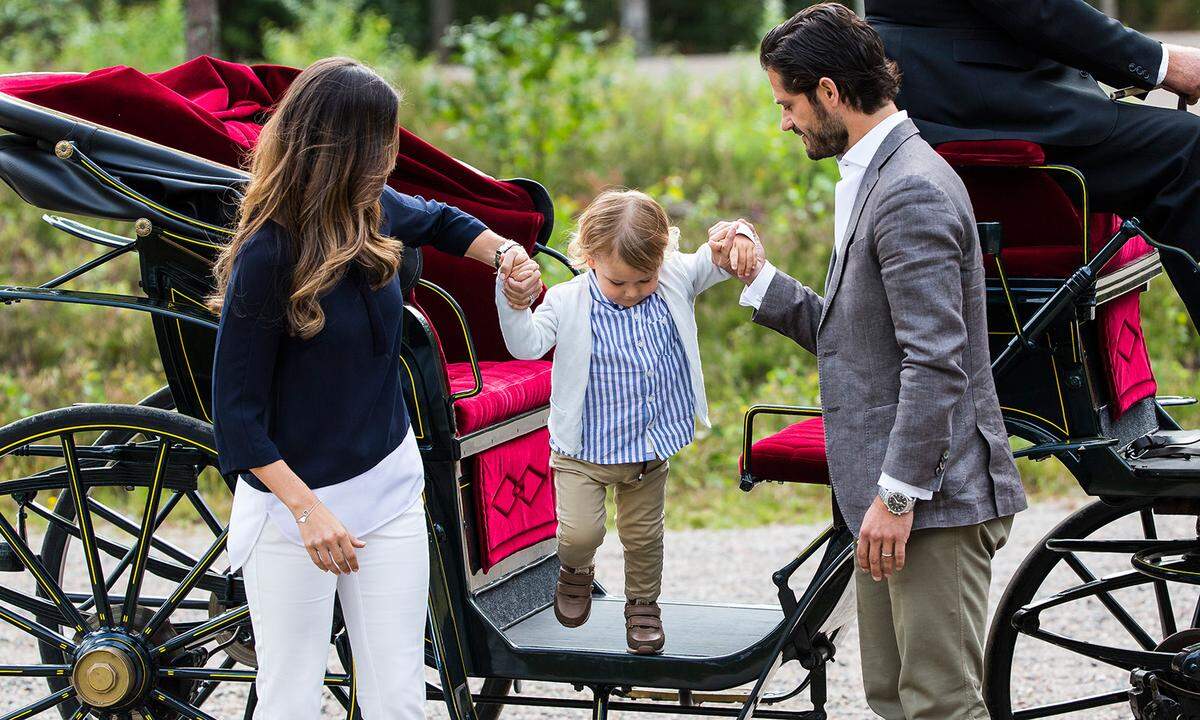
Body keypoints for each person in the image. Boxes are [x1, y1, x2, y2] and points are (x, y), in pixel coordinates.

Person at [710, 6, 1026, 718]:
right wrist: (758, 279)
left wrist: (897, 497)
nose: (784, 122)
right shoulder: (873, 171)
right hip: (892, 500)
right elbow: (854, 336)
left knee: (940, 703)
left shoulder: (909, 186)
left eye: (786, 104)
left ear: (828, 91)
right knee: (889, 696)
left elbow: (936, 363)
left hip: (928, 504)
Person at [208, 57, 541, 719]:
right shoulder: (267, 255)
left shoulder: (374, 209)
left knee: (398, 698)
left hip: (387, 489)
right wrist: (309, 512)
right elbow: (237, 419)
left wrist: (508, 255)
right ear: (347, 149)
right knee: (290, 697)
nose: (393, 153)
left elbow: (445, 221)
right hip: (293, 510)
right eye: (384, 139)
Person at [495, 189, 754, 655]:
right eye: (619, 282)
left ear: (663, 257)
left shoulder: (674, 277)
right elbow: (526, 346)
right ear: (589, 257)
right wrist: (513, 304)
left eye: (643, 279)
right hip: (583, 453)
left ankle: (642, 606)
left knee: (644, 537)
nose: (632, 292)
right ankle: (575, 571)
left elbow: (717, 260)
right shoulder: (567, 300)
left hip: (647, 451)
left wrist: (737, 236)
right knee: (580, 534)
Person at [866, 0, 1200, 331]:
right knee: (1187, 151)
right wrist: (1164, 64)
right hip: (980, 102)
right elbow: (1038, 10)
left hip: (962, 91)